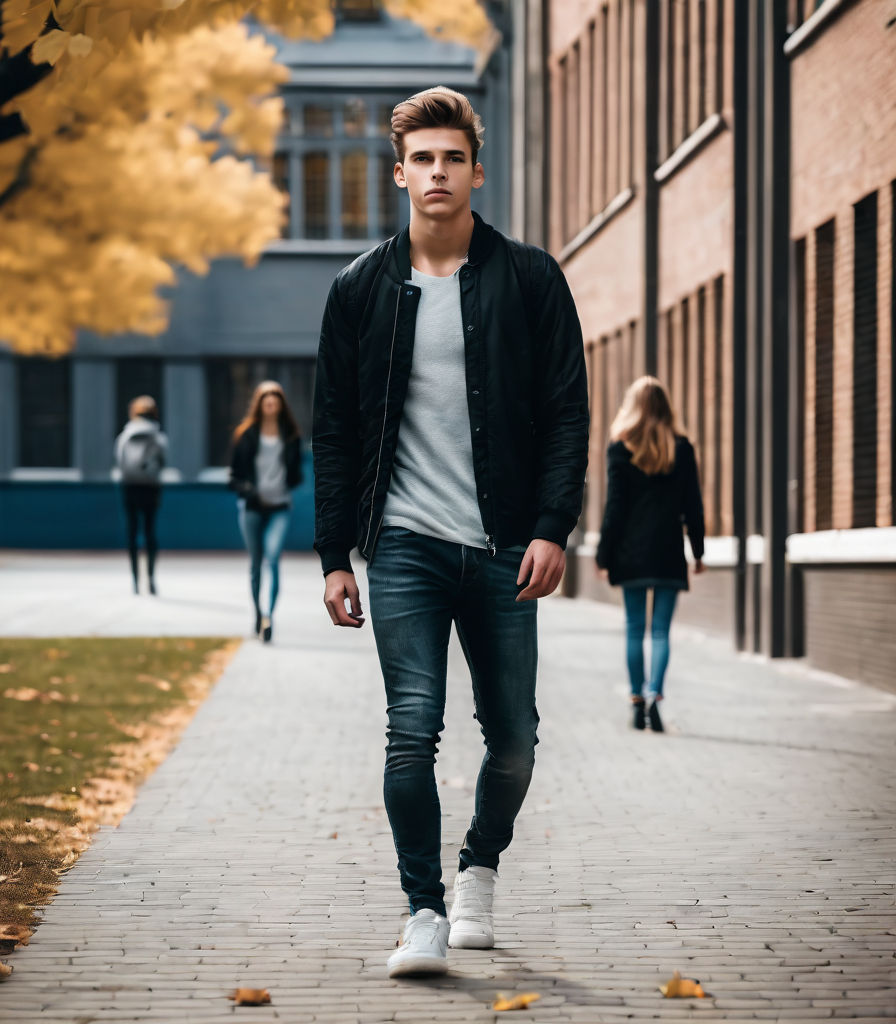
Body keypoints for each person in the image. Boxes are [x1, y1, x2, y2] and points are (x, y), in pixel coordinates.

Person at [313, 86, 589, 978]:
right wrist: (332, 557)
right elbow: (335, 433)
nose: (437, 172)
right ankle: (423, 910)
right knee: (411, 729)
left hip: (507, 547)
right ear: (400, 174)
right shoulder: (358, 290)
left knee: (513, 738)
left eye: (452, 157)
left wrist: (552, 527)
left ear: (476, 168)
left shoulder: (532, 278)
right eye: (421, 159)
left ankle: (479, 865)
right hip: (403, 548)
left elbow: (564, 415)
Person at [595, 376, 706, 732]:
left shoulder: (620, 448)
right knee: (660, 632)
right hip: (668, 552)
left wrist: (603, 554)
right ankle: (655, 693)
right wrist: (698, 551)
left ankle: (636, 701)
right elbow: (694, 507)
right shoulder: (683, 448)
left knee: (633, 630)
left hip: (631, 553)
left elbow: (614, 508)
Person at [229, 381, 304, 643]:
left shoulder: (291, 435)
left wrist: (287, 482)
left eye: (276, 396)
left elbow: (296, 474)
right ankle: (257, 613)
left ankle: (269, 617)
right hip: (251, 507)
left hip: (279, 508)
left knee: (273, 558)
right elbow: (234, 477)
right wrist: (250, 490)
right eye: (266, 396)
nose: (271, 400)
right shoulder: (246, 434)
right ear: (259, 402)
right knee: (255, 564)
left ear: (281, 403)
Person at [114, 395, 168, 596]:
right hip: (151, 487)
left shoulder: (125, 435)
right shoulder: (158, 437)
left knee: (132, 532)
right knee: (150, 531)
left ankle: (135, 581)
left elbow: (119, 461)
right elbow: (163, 461)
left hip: (129, 487)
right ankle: (151, 579)